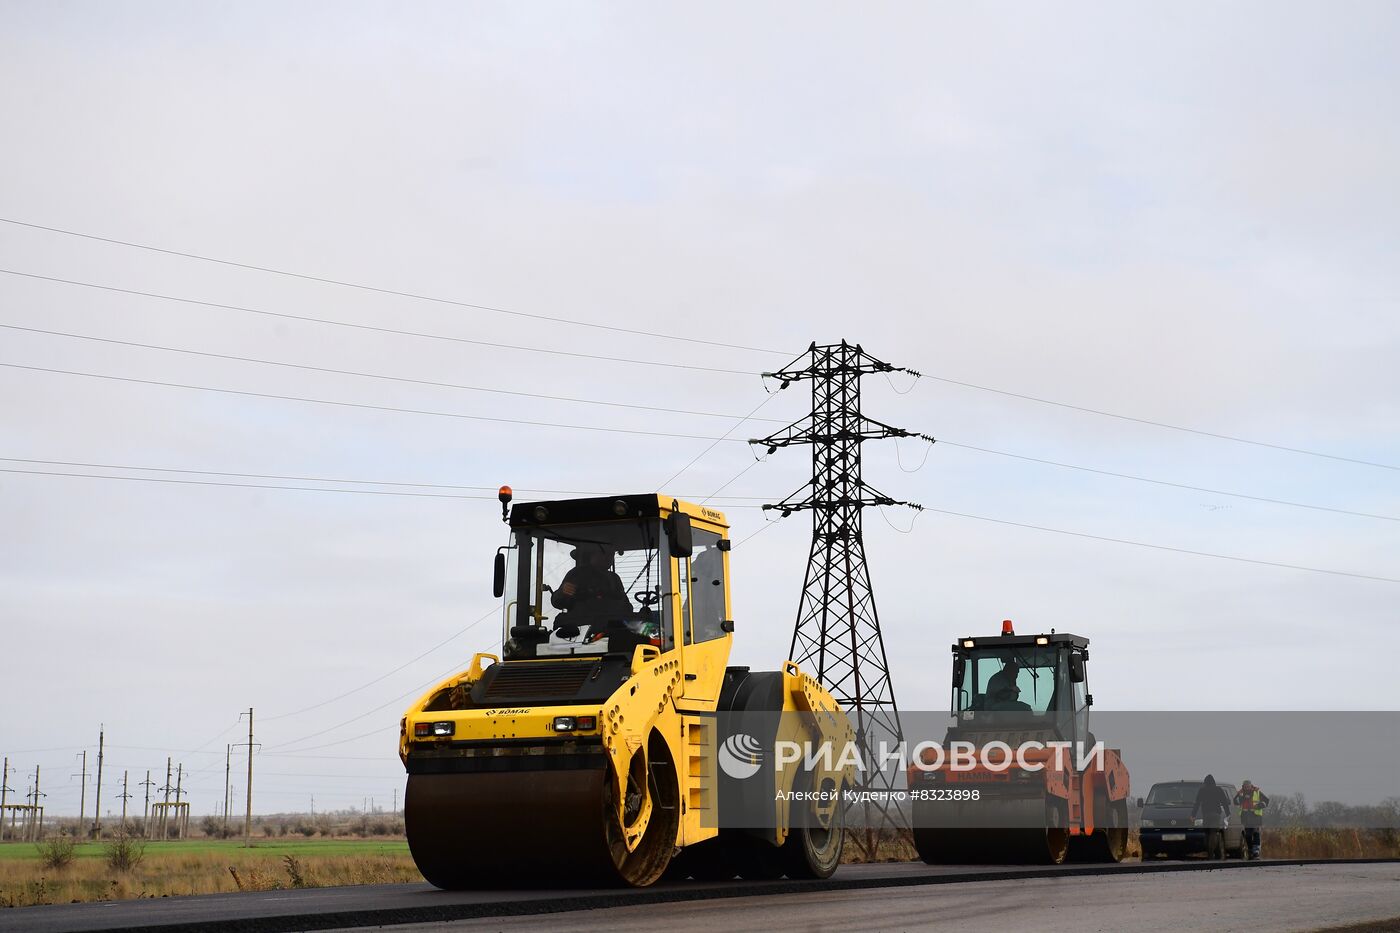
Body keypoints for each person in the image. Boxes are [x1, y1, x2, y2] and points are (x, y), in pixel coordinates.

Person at [550, 544, 632, 635]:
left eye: (611, 554)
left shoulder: (614, 578)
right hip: (583, 632)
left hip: (611, 630)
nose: (609, 558)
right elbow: (558, 601)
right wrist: (563, 592)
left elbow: (625, 605)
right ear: (592, 554)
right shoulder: (577, 574)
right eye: (605, 553)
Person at [1191, 773, 1231, 857]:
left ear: (1205, 782)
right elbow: (1224, 803)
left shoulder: (1202, 790)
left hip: (1206, 814)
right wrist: (1228, 814)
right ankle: (1211, 852)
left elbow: (1197, 803)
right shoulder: (1218, 789)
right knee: (1213, 833)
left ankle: (1209, 851)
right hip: (1216, 815)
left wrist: (1193, 815)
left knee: (1207, 833)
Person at [1234, 779, 1270, 859]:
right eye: (1245, 786)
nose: (1247, 788)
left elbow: (1266, 801)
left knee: (1256, 833)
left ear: (1251, 786)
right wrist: (1242, 798)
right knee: (1248, 835)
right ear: (1243, 786)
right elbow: (1235, 801)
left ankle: (1256, 851)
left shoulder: (1257, 792)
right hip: (1245, 817)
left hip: (1256, 817)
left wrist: (1259, 805)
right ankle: (1250, 850)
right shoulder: (1240, 793)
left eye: (1248, 786)